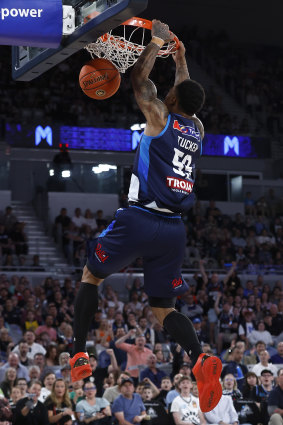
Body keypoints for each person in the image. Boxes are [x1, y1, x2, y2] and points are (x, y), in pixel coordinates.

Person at [69, 18, 222, 414]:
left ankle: (78, 354)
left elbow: (140, 79)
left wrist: (155, 43)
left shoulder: (158, 115)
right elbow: (183, 92)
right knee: (164, 309)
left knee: (91, 276)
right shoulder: (198, 128)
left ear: (171, 101)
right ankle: (200, 357)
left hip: (140, 218)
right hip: (174, 230)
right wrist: (181, 57)